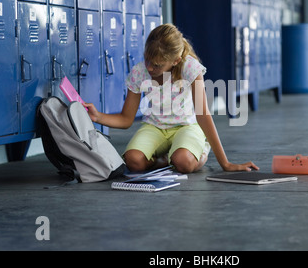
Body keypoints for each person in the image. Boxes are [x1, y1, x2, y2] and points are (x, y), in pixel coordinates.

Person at [84, 23, 259, 174]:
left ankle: (198, 152)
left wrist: (225, 164)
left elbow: (203, 115)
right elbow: (126, 119)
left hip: (186, 126)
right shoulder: (140, 71)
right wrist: (97, 116)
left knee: (183, 161)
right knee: (133, 161)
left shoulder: (189, 67)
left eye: (157, 65)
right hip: (155, 127)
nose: (150, 68)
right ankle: (164, 161)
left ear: (175, 61)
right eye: (147, 60)